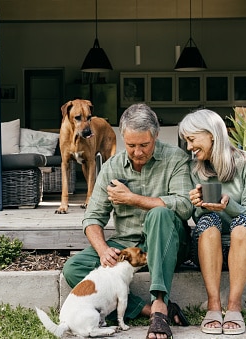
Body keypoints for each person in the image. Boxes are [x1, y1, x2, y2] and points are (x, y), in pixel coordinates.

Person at [62, 103, 194, 339]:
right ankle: (145, 310)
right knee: (74, 268)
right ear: (123, 137)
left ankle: (160, 304)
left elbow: (184, 206)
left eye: (144, 145)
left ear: (156, 135)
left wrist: (133, 198)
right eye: (131, 145)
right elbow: (92, 217)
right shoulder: (112, 167)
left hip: (169, 242)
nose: (138, 152)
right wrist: (103, 250)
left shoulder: (176, 159)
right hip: (129, 247)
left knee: (160, 213)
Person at [178, 109, 246, 335]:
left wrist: (229, 205)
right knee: (207, 220)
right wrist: (197, 205)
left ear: (212, 135)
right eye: (186, 141)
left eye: (192, 139)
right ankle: (213, 305)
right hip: (207, 251)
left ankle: (234, 306)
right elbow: (196, 218)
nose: (189, 147)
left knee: (243, 222)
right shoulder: (193, 168)